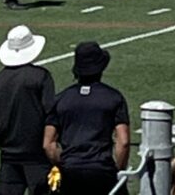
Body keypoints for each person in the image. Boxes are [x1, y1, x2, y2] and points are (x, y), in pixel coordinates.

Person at [43, 42, 130, 195]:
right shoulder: (114, 98)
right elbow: (123, 141)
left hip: (70, 170)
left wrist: (62, 163)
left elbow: (48, 144)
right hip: (102, 169)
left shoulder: (61, 99)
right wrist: (119, 169)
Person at [0, 25, 55, 195]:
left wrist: (5, 135)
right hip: (36, 154)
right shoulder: (41, 76)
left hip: (9, 152)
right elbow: (51, 113)